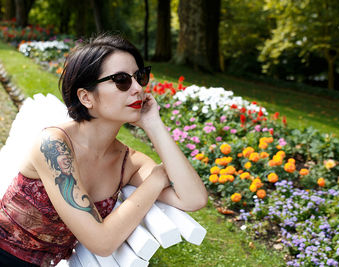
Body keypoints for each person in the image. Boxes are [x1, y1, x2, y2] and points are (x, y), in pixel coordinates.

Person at [0, 34, 208, 266]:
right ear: (86, 97)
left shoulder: (127, 162)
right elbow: (102, 242)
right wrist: (156, 179)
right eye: (121, 80)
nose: (138, 88)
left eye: (140, 77)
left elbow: (194, 199)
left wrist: (154, 124)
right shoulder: (53, 145)